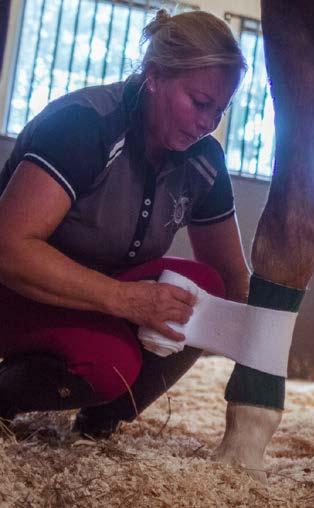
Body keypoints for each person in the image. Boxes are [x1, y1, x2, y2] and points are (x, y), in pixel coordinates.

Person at [0, 9, 250, 438]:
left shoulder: (204, 159)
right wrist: (124, 299)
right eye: (200, 103)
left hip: (101, 293)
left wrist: (266, 345)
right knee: (109, 365)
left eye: (220, 111)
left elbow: (231, 278)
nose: (208, 124)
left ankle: (104, 417)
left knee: (203, 286)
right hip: (19, 288)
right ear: (154, 76)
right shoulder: (85, 124)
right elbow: (9, 246)